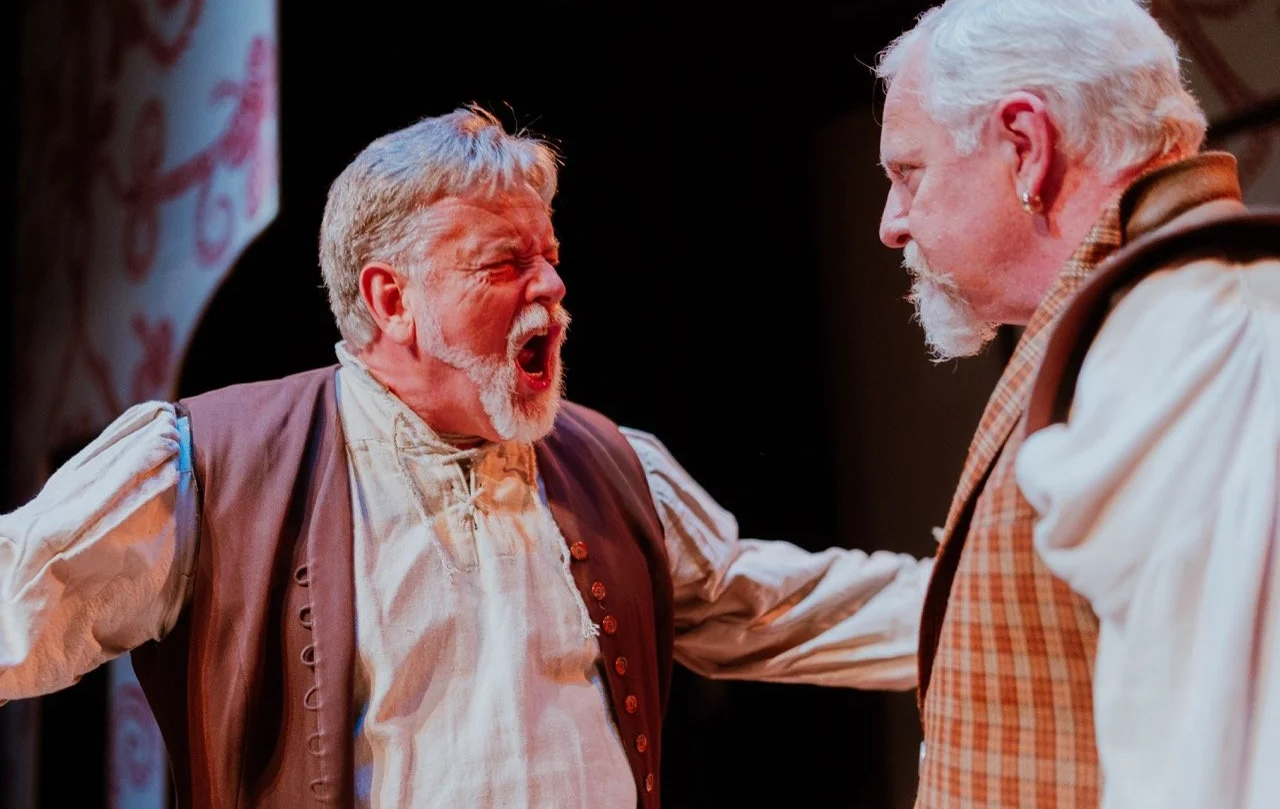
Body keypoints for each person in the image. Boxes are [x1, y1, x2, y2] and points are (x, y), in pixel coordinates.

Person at [0, 107, 930, 808]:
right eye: (503, 265)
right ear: (392, 299)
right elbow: (15, 602)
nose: (554, 289)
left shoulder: (609, 464)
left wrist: (1007, 587)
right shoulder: (208, 465)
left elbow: (766, 601)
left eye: (552, 256)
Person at [875, 0, 1280, 807]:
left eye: (909, 172)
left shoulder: (1208, 331)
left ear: (1025, 144)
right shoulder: (1129, 323)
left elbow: (1224, 759)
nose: (892, 223)